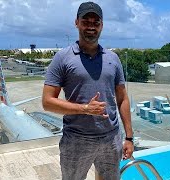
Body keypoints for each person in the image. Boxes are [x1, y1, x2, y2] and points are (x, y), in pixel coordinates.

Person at [42, 2, 134, 180]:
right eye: (86, 21)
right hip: (76, 139)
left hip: (111, 138)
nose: (91, 26)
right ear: (76, 22)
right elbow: (47, 101)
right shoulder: (62, 57)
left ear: (101, 25)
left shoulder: (113, 58)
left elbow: (122, 98)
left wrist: (129, 137)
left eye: (95, 22)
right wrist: (84, 109)